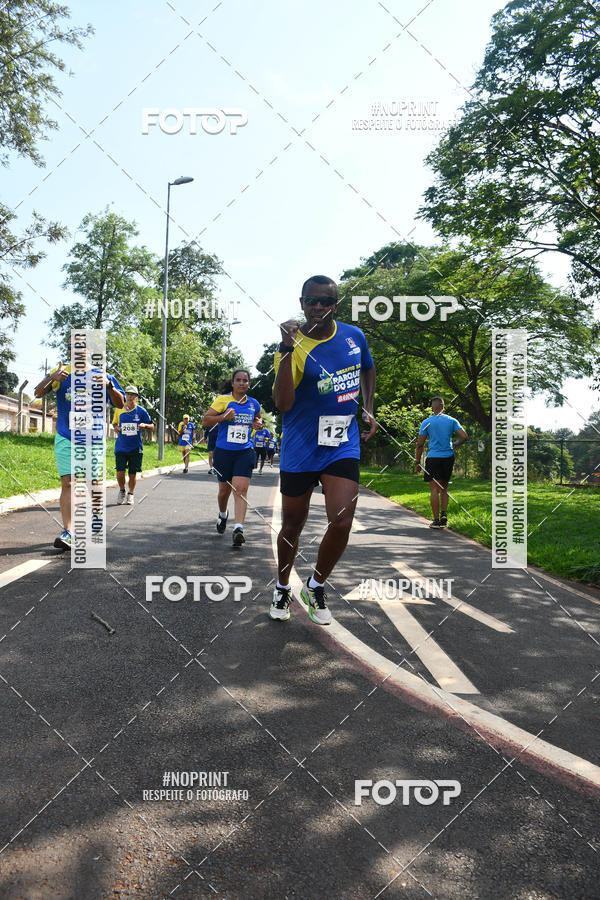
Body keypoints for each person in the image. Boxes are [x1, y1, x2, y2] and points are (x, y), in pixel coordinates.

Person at [269, 275, 377, 624]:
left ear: (335, 305)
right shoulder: (292, 346)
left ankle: (315, 585)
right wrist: (287, 349)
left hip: (341, 444)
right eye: (311, 301)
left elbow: (368, 369)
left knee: (342, 521)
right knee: (292, 524)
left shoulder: (353, 336)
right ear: (301, 303)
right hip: (301, 445)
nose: (318, 307)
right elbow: (283, 404)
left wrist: (368, 407)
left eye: (325, 301)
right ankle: (282, 588)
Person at [33, 359, 125, 550]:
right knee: (68, 482)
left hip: (93, 439)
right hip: (66, 436)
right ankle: (68, 532)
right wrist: (52, 378)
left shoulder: (101, 374)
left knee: (94, 482)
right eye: (72, 347)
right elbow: (38, 393)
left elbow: (120, 403)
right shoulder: (61, 373)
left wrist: (108, 386)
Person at [201, 368, 262, 547]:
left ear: (249, 384)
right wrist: (222, 417)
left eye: (245, 380)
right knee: (224, 491)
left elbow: (257, 420)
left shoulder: (253, 404)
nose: (242, 383)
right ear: (233, 383)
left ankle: (238, 529)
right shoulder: (223, 400)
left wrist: (258, 424)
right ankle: (223, 515)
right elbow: (206, 420)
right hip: (224, 452)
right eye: (238, 380)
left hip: (244, 451)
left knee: (240, 490)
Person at [415, 397, 468, 528]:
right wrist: (454, 444)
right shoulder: (452, 420)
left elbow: (420, 444)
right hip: (448, 457)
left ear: (432, 407)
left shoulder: (426, 422)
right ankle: (444, 514)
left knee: (434, 489)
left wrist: (417, 462)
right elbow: (464, 437)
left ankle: (436, 521)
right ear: (443, 407)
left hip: (433, 458)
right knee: (444, 488)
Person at [112, 385, 154, 505]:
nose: (130, 396)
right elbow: (114, 424)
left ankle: (131, 493)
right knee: (120, 472)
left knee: (132, 473)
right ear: (125, 395)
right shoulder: (119, 409)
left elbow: (152, 426)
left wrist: (145, 425)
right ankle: (122, 491)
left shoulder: (141, 411)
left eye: (132, 395)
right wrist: (116, 428)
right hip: (121, 446)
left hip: (135, 447)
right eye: (128, 394)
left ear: (136, 397)